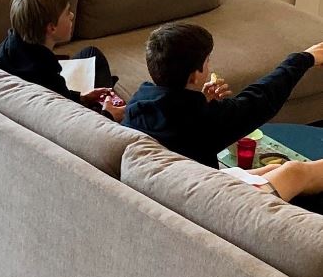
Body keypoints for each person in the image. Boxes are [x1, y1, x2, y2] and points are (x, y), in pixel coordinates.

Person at [123, 21, 323, 205]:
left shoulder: (137, 103)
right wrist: (303, 59)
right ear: (195, 75)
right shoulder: (202, 119)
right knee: (295, 171)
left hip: (170, 186)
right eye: (207, 61)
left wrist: (201, 100)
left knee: (273, 169)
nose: (209, 66)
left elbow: (179, 123)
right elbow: (260, 99)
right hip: (203, 202)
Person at [0, 0, 124, 118]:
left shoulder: (9, 45)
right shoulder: (48, 81)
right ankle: (105, 108)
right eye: (67, 12)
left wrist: (81, 97)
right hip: (65, 114)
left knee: (92, 53)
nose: (72, 15)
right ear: (51, 28)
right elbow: (69, 122)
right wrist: (108, 116)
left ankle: (99, 102)